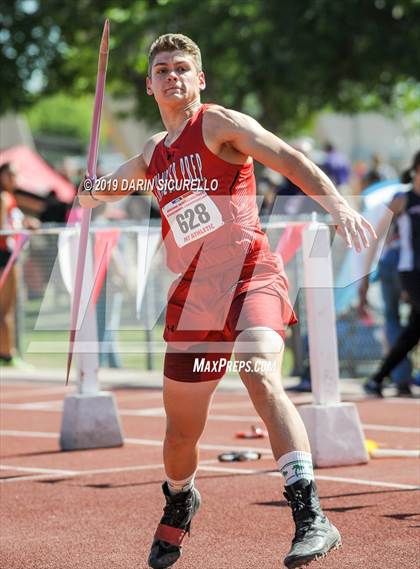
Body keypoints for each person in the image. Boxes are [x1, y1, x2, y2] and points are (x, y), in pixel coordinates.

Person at [79, 34, 376, 569]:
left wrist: (336, 204)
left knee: (259, 368)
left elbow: (285, 156)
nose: (172, 76)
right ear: (149, 86)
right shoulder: (152, 152)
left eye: (183, 68)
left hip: (249, 274)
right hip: (194, 297)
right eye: (162, 69)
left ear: (200, 79)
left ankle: (311, 514)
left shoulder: (217, 124)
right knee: (179, 436)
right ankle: (181, 496)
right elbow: (107, 187)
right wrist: (89, 188)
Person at [360, 150, 420, 397]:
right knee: (409, 329)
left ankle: (377, 379)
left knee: (413, 332)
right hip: (410, 271)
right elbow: (376, 235)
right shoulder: (402, 199)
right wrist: (364, 275)